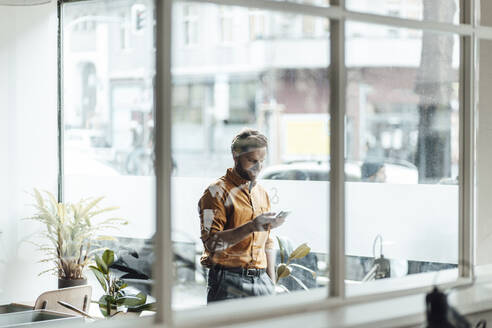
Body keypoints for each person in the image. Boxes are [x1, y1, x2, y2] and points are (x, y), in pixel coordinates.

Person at [198, 128, 285, 303]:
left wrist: (271, 283)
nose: (258, 167)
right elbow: (212, 243)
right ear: (235, 155)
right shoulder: (215, 192)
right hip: (228, 282)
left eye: (261, 161)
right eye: (252, 160)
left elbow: (267, 241)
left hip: (262, 282)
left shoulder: (262, 193)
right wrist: (252, 226)